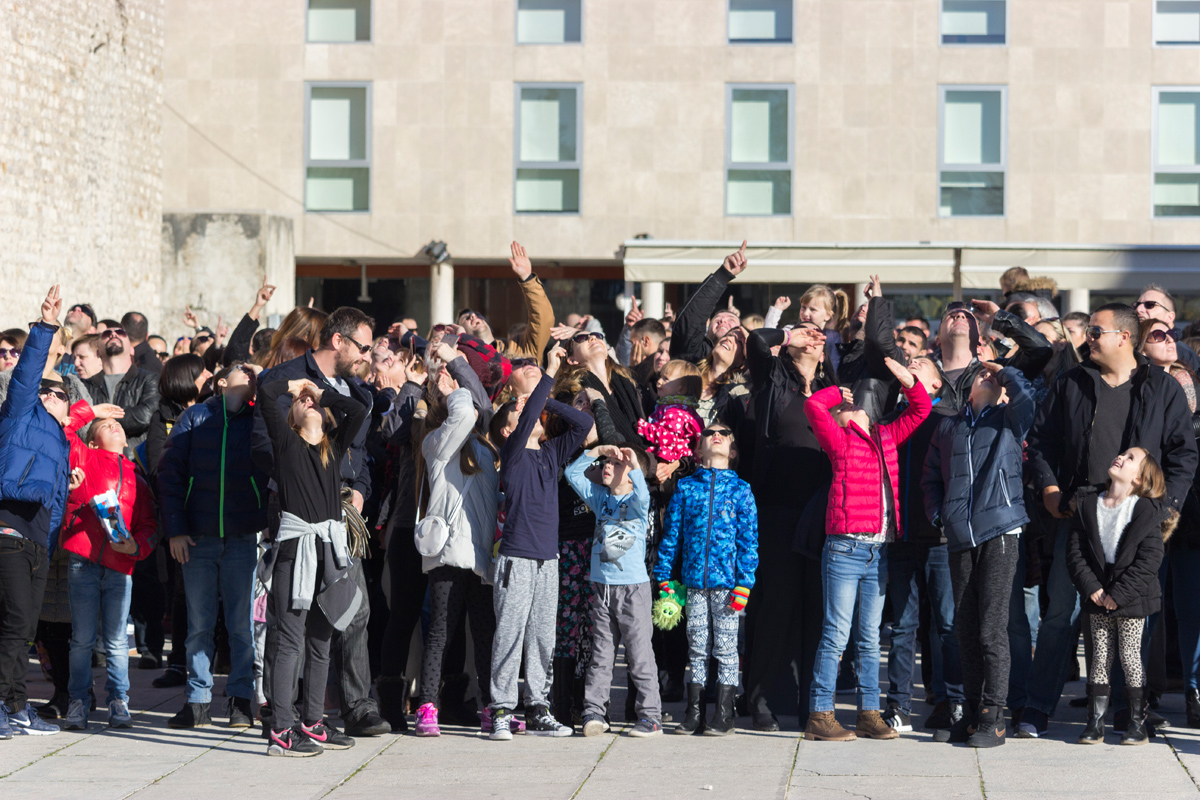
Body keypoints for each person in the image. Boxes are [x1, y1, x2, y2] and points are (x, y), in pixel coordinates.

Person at [1023, 303, 1199, 738]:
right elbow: (1041, 442)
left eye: (1096, 331)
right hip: (1079, 514)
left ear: (1123, 337)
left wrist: (1165, 510)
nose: (1089, 338)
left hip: (1139, 523)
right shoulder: (1071, 383)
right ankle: (1036, 708)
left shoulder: (1162, 388)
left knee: (1133, 619)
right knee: (1060, 613)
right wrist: (1048, 489)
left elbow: (1183, 454)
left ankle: (1126, 713)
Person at [253, 306, 390, 737]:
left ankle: (342, 709)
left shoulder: (350, 396)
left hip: (338, 519)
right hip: (296, 514)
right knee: (289, 631)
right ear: (339, 341)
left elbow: (359, 440)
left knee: (341, 616)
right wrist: (301, 390)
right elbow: (264, 425)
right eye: (363, 347)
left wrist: (359, 488)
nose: (367, 356)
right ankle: (281, 717)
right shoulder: (291, 397)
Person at [803, 357, 930, 742]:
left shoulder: (886, 436)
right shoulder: (839, 440)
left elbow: (921, 408)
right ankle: (820, 714)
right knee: (836, 633)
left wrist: (909, 380)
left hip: (878, 550)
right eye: (844, 408)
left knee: (870, 636)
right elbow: (812, 406)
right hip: (845, 548)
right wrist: (833, 394)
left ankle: (868, 713)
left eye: (854, 403)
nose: (851, 406)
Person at [923, 362, 1036, 747]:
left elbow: (1028, 398)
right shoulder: (948, 426)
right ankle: (971, 714)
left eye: (993, 379)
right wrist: (940, 515)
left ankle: (994, 716)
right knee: (965, 630)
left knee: (991, 628)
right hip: (959, 535)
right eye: (981, 376)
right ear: (967, 390)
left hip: (1001, 529)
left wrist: (1005, 371)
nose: (987, 378)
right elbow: (931, 478)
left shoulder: (1009, 418)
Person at [258, 375, 367, 756]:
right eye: (300, 402)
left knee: (322, 640)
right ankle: (282, 728)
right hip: (294, 550)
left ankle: (314, 721)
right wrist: (294, 384)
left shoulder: (333, 447)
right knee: (290, 641)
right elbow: (265, 392)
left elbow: (359, 409)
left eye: (313, 402)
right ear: (291, 416)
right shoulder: (286, 442)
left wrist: (323, 394)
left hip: (328, 553)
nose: (307, 402)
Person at [159, 363, 269, 730]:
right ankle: (197, 700)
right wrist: (175, 528)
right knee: (197, 626)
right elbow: (170, 472)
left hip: (241, 536)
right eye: (244, 371)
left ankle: (240, 700)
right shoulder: (195, 415)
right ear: (221, 382)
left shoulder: (258, 418)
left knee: (241, 627)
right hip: (197, 536)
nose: (252, 375)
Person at [486, 370, 592, 740]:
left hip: (549, 559)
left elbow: (583, 422)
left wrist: (545, 400)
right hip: (517, 558)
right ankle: (501, 708)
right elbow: (526, 421)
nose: (529, 414)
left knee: (543, 636)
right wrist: (540, 387)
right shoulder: (512, 453)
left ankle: (537, 708)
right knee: (510, 634)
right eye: (520, 413)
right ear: (506, 430)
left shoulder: (551, 452)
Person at [742, 322, 836, 731]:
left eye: (819, 333)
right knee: (776, 605)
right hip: (778, 510)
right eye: (805, 332)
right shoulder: (773, 383)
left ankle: (810, 704)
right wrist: (787, 334)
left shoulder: (836, 391)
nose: (813, 337)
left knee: (818, 609)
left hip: (826, 513)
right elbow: (757, 341)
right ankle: (762, 698)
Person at [411, 345, 500, 737]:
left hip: (479, 555)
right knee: (442, 631)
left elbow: (476, 410)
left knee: (483, 634)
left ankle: (489, 705)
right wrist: (450, 392)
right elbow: (465, 412)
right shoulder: (436, 445)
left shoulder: (483, 446)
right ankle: (427, 705)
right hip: (449, 552)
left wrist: (459, 376)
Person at [59, 402, 158, 731]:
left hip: (120, 565)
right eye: (105, 426)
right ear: (92, 442)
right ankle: (78, 700)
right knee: (82, 640)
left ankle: (119, 700)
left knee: (117, 641)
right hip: (83, 561)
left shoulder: (135, 477)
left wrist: (136, 547)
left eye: (118, 426)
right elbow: (66, 429)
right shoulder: (83, 458)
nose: (115, 427)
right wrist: (91, 409)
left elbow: (149, 526)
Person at [655, 424, 758, 736]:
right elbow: (671, 536)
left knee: (726, 649)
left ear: (733, 450)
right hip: (693, 585)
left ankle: (724, 713)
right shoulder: (686, 488)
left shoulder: (742, 490)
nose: (717, 435)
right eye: (710, 432)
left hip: (728, 586)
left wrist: (744, 582)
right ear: (698, 450)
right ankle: (694, 711)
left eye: (725, 433)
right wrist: (664, 578)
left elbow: (748, 541)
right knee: (697, 647)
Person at [0, 286, 70, 738]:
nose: (51, 395)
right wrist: (45, 327)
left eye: (57, 392)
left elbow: (58, 504)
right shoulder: (20, 413)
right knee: (13, 624)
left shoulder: (63, 444)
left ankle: (16, 706)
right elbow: (26, 375)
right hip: (8, 528)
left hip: (37, 541)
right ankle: (5, 707)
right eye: (47, 391)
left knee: (23, 629)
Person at [1068, 448, 1173, 746]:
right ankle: (1095, 721)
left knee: (1130, 657)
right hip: (1098, 595)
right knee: (1099, 656)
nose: (1121, 457)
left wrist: (1120, 594)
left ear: (1139, 478)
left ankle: (1136, 722)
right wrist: (1092, 588)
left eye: (1130, 459)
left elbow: (1150, 561)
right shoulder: (1089, 505)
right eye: (1122, 453)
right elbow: (1076, 554)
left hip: (1132, 599)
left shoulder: (1145, 511)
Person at [883, 355, 963, 735]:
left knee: (947, 623)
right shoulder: (893, 419)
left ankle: (953, 702)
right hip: (899, 537)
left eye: (918, 366)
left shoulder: (948, 420)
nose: (908, 366)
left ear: (935, 385)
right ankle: (898, 704)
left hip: (939, 539)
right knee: (902, 626)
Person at [567, 443, 663, 738]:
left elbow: (645, 494)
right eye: (605, 462)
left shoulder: (636, 501)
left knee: (639, 654)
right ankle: (594, 710)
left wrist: (634, 463)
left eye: (614, 464)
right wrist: (596, 450)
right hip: (602, 588)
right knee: (601, 654)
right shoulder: (600, 499)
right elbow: (573, 474)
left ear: (632, 475)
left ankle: (651, 717)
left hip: (633, 590)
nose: (607, 466)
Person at [455, 241, 554, 361]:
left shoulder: (519, 347)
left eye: (477, 315)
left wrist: (527, 278)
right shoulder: (464, 359)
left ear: (489, 326)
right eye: (466, 318)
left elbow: (543, 319)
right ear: (462, 332)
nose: (473, 317)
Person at [83, 325, 160, 449]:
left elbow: (147, 415)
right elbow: (79, 422)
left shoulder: (149, 379)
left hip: (134, 461)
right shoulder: (85, 385)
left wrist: (99, 415)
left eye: (120, 332)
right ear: (97, 352)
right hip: (96, 462)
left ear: (132, 350)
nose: (113, 335)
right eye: (106, 334)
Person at [670, 242, 747, 365]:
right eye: (717, 319)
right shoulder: (695, 356)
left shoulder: (749, 370)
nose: (722, 321)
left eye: (731, 319)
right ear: (707, 331)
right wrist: (723, 274)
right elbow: (691, 320)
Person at [637, 360, 704, 464]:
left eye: (666, 379)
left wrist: (644, 428)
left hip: (667, 460)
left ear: (681, 390)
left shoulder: (675, 413)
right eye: (660, 377)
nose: (659, 381)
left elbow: (667, 438)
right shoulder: (673, 406)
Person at [1136, 284, 1200, 373]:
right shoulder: (1130, 346)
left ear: (1170, 317)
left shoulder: (1182, 353)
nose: (1139, 309)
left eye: (1150, 305)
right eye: (1137, 305)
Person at [796, 284, 851, 370]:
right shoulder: (795, 332)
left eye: (812, 309)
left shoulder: (831, 338)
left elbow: (833, 366)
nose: (805, 313)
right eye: (803, 307)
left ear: (827, 315)